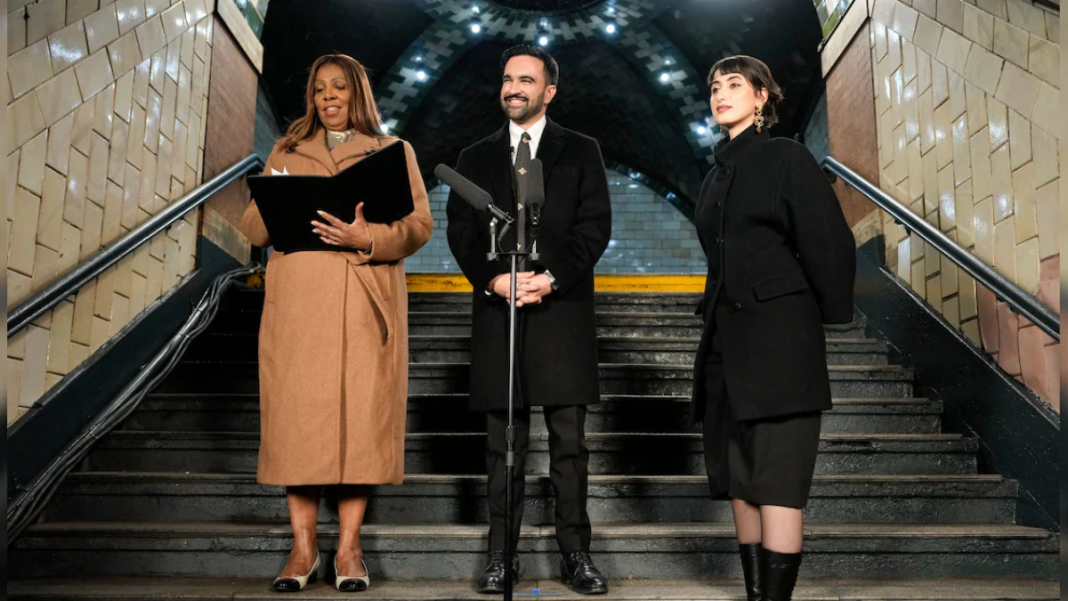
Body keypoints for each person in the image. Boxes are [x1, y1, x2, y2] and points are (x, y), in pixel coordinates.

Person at [239, 54, 433, 593]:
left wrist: (367, 239)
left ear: (357, 95)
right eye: (319, 87)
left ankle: (349, 549)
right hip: (299, 306)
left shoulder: (393, 151)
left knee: (359, 428)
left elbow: (419, 225)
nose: (328, 96)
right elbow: (254, 229)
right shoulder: (287, 149)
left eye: (339, 88)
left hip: (362, 300)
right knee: (298, 426)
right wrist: (273, 190)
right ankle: (302, 549)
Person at [445, 45, 612, 595]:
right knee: (502, 447)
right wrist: (493, 278)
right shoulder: (474, 156)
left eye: (526, 79)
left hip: (561, 312)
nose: (513, 87)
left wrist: (552, 277)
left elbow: (595, 227)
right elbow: (462, 233)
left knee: (569, 444)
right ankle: (501, 555)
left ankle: (576, 554)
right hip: (500, 313)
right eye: (507, 78)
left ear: (549, 91)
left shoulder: (582, 150)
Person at [691, 55, 855, 601]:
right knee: (743, 483)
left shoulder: (785, 156)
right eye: (715, 87)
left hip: (781, 346)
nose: (721, 94)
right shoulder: (714, 175)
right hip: (725, 349)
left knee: (779, 484)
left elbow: (827, 241)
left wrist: (822, 317)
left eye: (734, 85)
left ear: (762, 97)